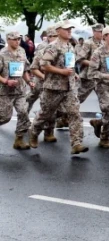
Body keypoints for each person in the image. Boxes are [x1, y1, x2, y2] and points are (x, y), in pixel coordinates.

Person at [29, 20, 88, 154]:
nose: (69, 31)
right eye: (66, 29)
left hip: (69, 88)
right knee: (46, 114)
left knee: (74, 113)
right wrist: (62, 72)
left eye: (70, 29)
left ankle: (76, 143)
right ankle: (33, 132)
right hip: (53, 88)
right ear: (58, 31)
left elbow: (69, 65)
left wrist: (74, 74)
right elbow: (44, 65)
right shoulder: (53, 47)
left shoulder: (70, 47)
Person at [87, 26, 109, 148]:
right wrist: (107, 76)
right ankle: (104, 138)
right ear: (104, 37)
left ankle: (99, 122)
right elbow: (91, 73)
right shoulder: (98, 53)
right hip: (103, 87)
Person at [0, 32, 34, 149]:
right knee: (4, 117)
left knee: (23, 112)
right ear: (8, 40)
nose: (17, 41)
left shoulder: (21, 52)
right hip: (5, 91)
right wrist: (5, 81)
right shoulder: (2, 54)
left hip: (20, 90)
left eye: (19, 39)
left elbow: (24, 70)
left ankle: (19, 139)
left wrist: (29, 82)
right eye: (14, 39)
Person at [76, 23, 104, 104]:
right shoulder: (88, 43)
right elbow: (80, 59)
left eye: (102, 31)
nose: (102, 33)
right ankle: (63, 113)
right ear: (94, 32)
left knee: (106, 99)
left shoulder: (103, 43)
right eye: (100, 31)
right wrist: (94, 64)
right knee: (78, 98)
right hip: (89, 76)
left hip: (101, 76)